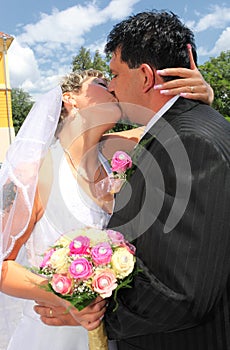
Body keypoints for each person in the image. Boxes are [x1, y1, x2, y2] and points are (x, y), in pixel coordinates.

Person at [37, 10, 230, 350]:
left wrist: (93, 315)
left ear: (143, 75)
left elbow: (184, 291)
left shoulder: (186, 141)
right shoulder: (156, 139)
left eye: (112, 74)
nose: (110, 86)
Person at [1, 64, 214, 350]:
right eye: (101, 83)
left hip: (111, 333)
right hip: (51, 334)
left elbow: (174, 126)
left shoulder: (118, 150)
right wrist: (65, 298)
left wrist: (201, 99)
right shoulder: (34, 174)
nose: (112, 87)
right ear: (70, 98)